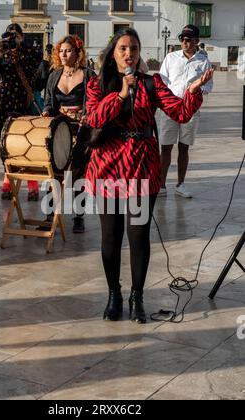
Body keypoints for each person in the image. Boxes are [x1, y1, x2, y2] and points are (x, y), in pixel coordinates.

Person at [84, 28, 213, 323]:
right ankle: (114, 295)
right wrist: (121, 94)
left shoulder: (151, 83)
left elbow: (179, 112)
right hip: (108, 167)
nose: (129, 53)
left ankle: (136, 297)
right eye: (123, 48)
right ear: (113, 52)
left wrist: (192, 92)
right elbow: (94, 118)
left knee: (139, 235)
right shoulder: (98, 84)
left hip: (141, 166)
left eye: (134, 48)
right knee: (110, 236)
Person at [42, 35, 96, 233]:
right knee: (54, 172)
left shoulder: (89, 75)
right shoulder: (54, 75)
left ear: (77, 53)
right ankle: (49, 214)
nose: (64, 54)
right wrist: (47, 111)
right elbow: (48, 101)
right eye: (61, 51)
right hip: (60, 129)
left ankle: (79, 217)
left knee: (78, 175)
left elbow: (94, 101)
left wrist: (87, 114)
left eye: (68, 50)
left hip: (82, 130)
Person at [0, 24, 42, 201]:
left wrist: (21, 44)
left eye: (15, 35)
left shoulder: (28, 54)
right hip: (5, 103)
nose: (11, 38)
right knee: (6, 145)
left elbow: (38, 59)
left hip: (22, 103)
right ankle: (7, 182)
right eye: (9, 35)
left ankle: (32, 185)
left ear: (21, 36)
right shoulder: (3, 55)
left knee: (26, 144)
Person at [159, 24, 213, 198]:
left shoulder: (204, 61)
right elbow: (162, 81)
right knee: (165, 147)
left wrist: (196, 89)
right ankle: (161, 185)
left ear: (197, 41)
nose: (184, 42)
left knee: (184, 148)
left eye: (189, 39)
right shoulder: (170, 57)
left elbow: (208, 86)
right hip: (171, 108)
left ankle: (180, 184)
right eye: (182, 39)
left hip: (190, 110)